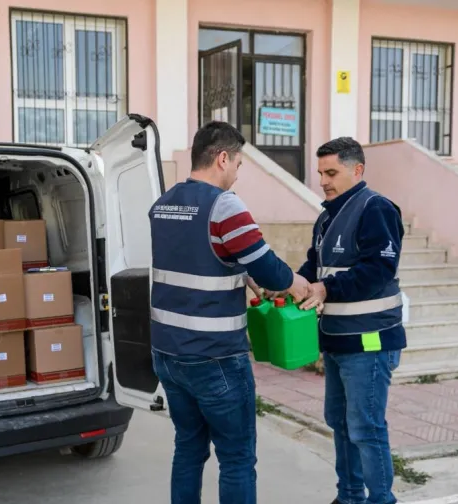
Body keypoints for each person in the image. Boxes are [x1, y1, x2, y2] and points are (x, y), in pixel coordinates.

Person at [148, 120, 313, 504]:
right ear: (223, 158)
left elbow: (198, 256)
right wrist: (295, 283)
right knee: (237, 457)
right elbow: (268, 267)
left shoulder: (163, 204)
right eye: (238, 165)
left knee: (188, 448)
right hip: (215, 357)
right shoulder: (224, 205)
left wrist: (240, 272)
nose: (238, 175)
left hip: (168, 354)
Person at [296, 137, 406, 504]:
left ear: (357, 170)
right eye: (320, 173)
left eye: (331, 172)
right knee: (340, 423)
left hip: (370, 341)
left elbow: (378, 269)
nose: (323, 180)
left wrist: (326, 288)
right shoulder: (327, 216)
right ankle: (349, 497)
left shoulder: (376, 209)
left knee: (365, 427)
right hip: (337, 340)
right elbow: (313, 267)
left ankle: (380, 500)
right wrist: (288, 285)